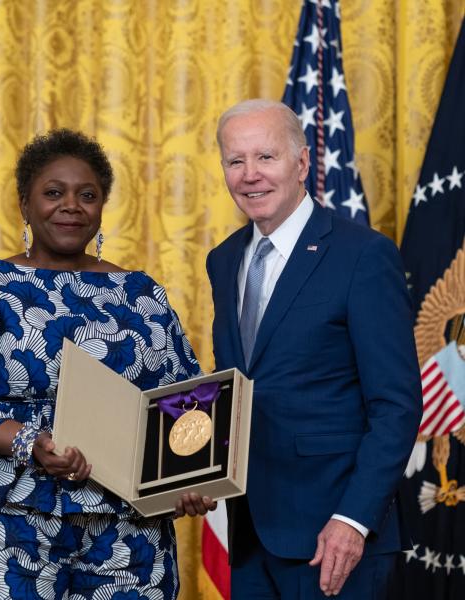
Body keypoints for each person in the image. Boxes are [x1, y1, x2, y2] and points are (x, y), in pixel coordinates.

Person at [0, 128, 214, 600]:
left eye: (87, 195)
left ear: (101, 207)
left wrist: (193, 475)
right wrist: (32, 443)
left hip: (128, 533)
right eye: (53, 193)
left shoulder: (142, 295)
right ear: (25, 205)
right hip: (1, 524)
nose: (71, 205)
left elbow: (184, 403)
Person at [206, 99, 423, 599]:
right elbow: (234, 386)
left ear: (302, 163)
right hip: (250, 533)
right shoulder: (224, 261)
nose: (249, 175)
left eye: (265, 157)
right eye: (235, 161)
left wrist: (353, 519)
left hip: (334, 534)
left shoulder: (363, 255)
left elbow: (396, 404)